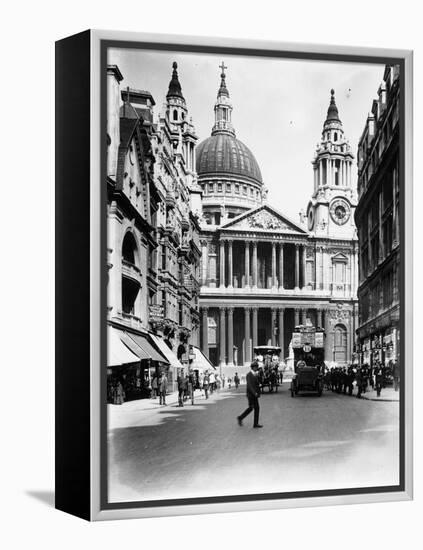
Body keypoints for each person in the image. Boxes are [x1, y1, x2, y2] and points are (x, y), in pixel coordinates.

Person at [237, 362, 263, 428]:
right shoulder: (249, 375)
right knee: (254, 408)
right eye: (256, 367)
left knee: (253, 408)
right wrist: (255, 393)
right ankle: (253, 423)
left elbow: (257, 383)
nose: (257, 368)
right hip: (251, 395)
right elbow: (249, 385)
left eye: (257, 367)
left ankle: (242, 418)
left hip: (254, 395)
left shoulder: (255, 374)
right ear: (253, 367)